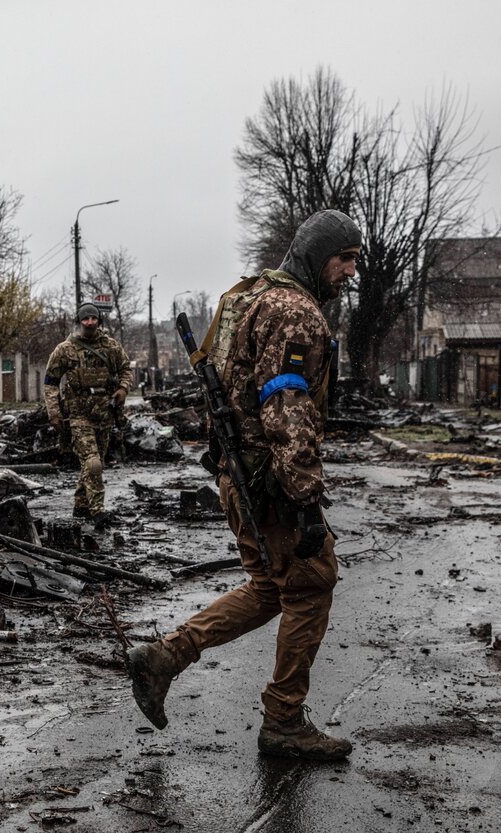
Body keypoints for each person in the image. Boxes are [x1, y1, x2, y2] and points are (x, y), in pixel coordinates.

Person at [125, 209, 361, 761]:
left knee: (268, 588)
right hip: (272, 478)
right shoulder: (297, 314)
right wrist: (304, 499)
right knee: (311, 584)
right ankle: (283, 720)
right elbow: (287, 405)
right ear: (318, 254)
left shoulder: (244, 297)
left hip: (237, 474)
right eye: (344, 259)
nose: (351, 271)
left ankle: (164, 657)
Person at [44, 302, 133, 527]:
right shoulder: (65, 349)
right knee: (93, 464)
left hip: (104, 414)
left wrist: (122, 389)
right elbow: (51, 382)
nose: (90, 322)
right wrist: (54, 412)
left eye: (94, 318)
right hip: (78, 415)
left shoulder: (111, 346)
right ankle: (97, 511)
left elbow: (125, 369)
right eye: (86, 319)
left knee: (95, 462)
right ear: (79, 321)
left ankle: (81, 506)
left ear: (99, 320)